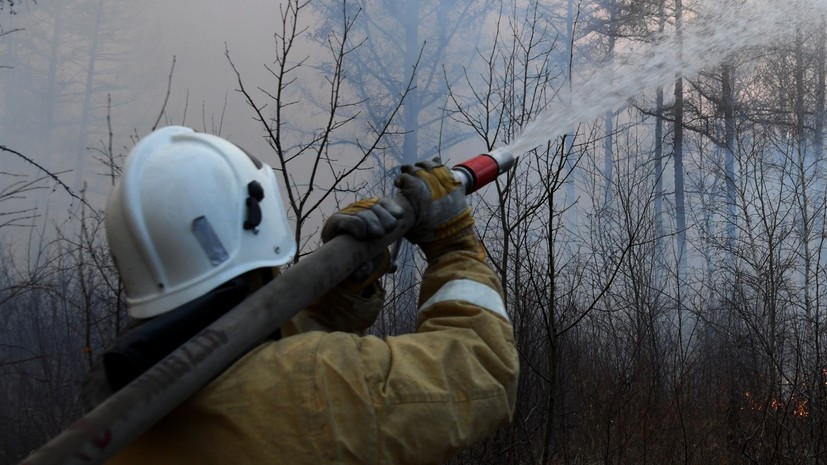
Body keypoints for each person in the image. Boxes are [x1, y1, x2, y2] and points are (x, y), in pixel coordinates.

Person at [86, 126, 519, 464]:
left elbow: (259, 365)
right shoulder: (317, 382)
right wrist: (454, 245)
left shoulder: (117, 410)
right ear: (258, 219)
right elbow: (482, 368)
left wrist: (341, 291)